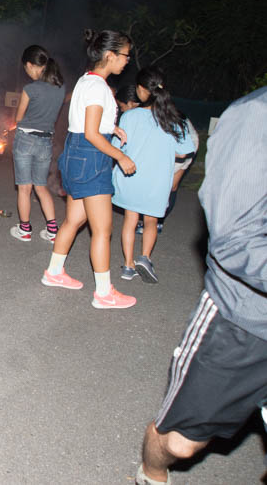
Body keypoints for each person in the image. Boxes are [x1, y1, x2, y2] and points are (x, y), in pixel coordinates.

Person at [135, 86, 267, 485]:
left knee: (138, 218)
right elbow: (236, 237)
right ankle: (152, 472)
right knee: (178, 444)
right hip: (245, 317)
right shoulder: (257, 116)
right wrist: (172, 174)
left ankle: (131, 264)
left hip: (147, 182)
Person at [41, 29, 138, 309]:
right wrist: (120, 156)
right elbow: (93, 134)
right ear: (110, 55)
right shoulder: (99, 87)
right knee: (103, 230)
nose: (127, 61)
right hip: (91, 157)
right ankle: (104, 292)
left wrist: (113, 128)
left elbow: (88, 123)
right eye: (125, 55)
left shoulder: (87, 81)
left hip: (75, 154)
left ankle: (54, 271)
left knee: (74, 220)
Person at [112, 68, 195, 283]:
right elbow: (185, 151)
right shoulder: (174, 118)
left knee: (130, 221)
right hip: (157, 181)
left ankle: (128, 266)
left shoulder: (130, 116)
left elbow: (116, 146)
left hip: (131, 177)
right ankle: (145, 257)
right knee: (150, 221)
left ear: (140, 90)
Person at [9, 45, 65, 243]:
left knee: (25, 188)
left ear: (32, 65)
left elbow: (19, 117)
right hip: (45, 142)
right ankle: (52, 231)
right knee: (41, 187)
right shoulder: (60, 88)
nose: (27, 72)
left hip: (25, 140)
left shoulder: (30, 89)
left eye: (27, 68)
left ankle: (25, 230)